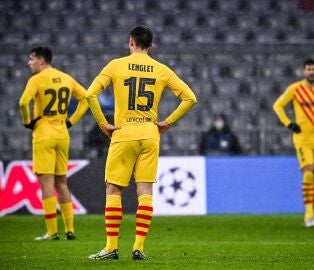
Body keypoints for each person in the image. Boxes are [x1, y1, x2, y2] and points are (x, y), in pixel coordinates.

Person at [86, 26, 197, 260]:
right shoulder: (162, 69)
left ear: (131, 42)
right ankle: (138, 247)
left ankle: (111, 248)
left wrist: (103, 124)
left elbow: (90, 94)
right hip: (150, 134)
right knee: (145, 191)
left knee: (114, 189)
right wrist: (168, 122)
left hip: (123, 133)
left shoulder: (116, 65)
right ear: (151, 45)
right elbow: (190, 98)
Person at [19, 47, 88, 240]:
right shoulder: (66, 78)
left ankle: (52, 232)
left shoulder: (36, 80)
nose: (29, 63)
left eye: (31, 59)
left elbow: (23, 103)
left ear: (41, 61)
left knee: (46, 182)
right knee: (62, 183)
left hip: (43, 134)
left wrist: (27, 122)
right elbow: (86, 99)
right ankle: (70, 229)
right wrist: (71, 121)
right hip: (62, 133)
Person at [273, 58, 314, 228]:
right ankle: (309, 215)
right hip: (302, 139)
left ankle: (311, 211)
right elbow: (277, 106)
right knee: (308, 173)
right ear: (304, 71)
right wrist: (289, 124)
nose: (311, 72)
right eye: (308, 69)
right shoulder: (295, 89)